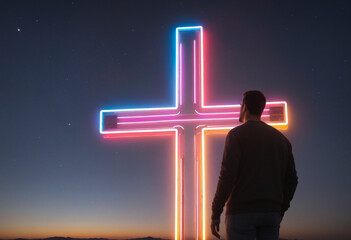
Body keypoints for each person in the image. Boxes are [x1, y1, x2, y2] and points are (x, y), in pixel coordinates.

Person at [210, 90, 298, 240]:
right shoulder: (282, 141)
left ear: (244, 107)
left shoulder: (236, 135)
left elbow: (227, 175)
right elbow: (292, 180)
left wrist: (216, 211)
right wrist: (281, 209)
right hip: (271, 214)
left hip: (241, 213)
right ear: (261, 109)